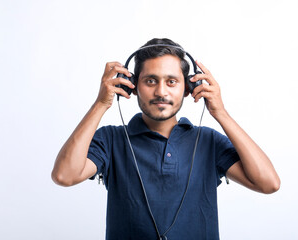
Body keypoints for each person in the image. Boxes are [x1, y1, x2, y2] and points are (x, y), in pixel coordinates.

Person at [51, 38, 280, 239]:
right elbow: (64, 175)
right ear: (131, 86)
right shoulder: (111, 139)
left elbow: (269, 183)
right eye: (150, 81)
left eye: (172, 81)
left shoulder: (209, 141)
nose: (161, 91)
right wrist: (101, 104)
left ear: (189, 88)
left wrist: (220, 113)